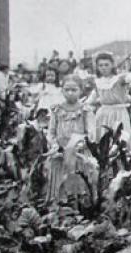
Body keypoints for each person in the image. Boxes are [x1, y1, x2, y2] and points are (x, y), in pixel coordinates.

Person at [46, 75, 96, 203]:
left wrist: (79, 145)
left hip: (78, 152)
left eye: (74, 90)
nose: (70, 93)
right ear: (62, 90)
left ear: (81, 91)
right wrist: (54, 144)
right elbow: (51, 132)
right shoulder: (57, 110)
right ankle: (58, 204)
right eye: (66, 89)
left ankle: (80, 205)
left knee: (78, 177)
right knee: (59, 177)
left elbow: (91, 133)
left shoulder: (85, 110)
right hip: (60, 152)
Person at [85, 52, 131, 139]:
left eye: (106, 65)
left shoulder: (119, 79)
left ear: (112, 65)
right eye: (100, 65)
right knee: (102, 140)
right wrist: (84, 105)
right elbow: (93, 97)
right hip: (102, 114)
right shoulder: (97, 81)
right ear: (97, 67)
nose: (103, 67)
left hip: (119, 114)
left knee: (120, 140)